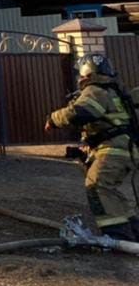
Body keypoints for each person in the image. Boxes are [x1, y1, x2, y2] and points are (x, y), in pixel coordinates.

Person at [44, 53, 139, 242]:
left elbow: (81, 112)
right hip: (124, 148)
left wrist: (53, 119)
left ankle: (118, 238)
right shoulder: (114, 91)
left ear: (86, 73)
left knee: (97, 186)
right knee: (109, 189)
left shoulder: (95, 90)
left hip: (113, 149)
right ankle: (134, 231)